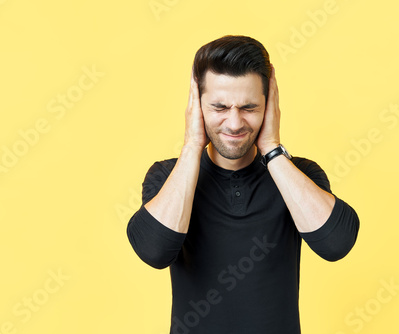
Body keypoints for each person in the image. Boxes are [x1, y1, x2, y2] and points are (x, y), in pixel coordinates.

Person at [127, 35, 360, 334]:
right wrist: (192, 144)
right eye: (219, 107)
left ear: (269, 106)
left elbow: (336, 243)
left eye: (249, 107)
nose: (235, 123)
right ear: (196, 106)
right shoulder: (168, 176)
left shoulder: (298, 174)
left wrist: (273, 149)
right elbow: (154, 251)